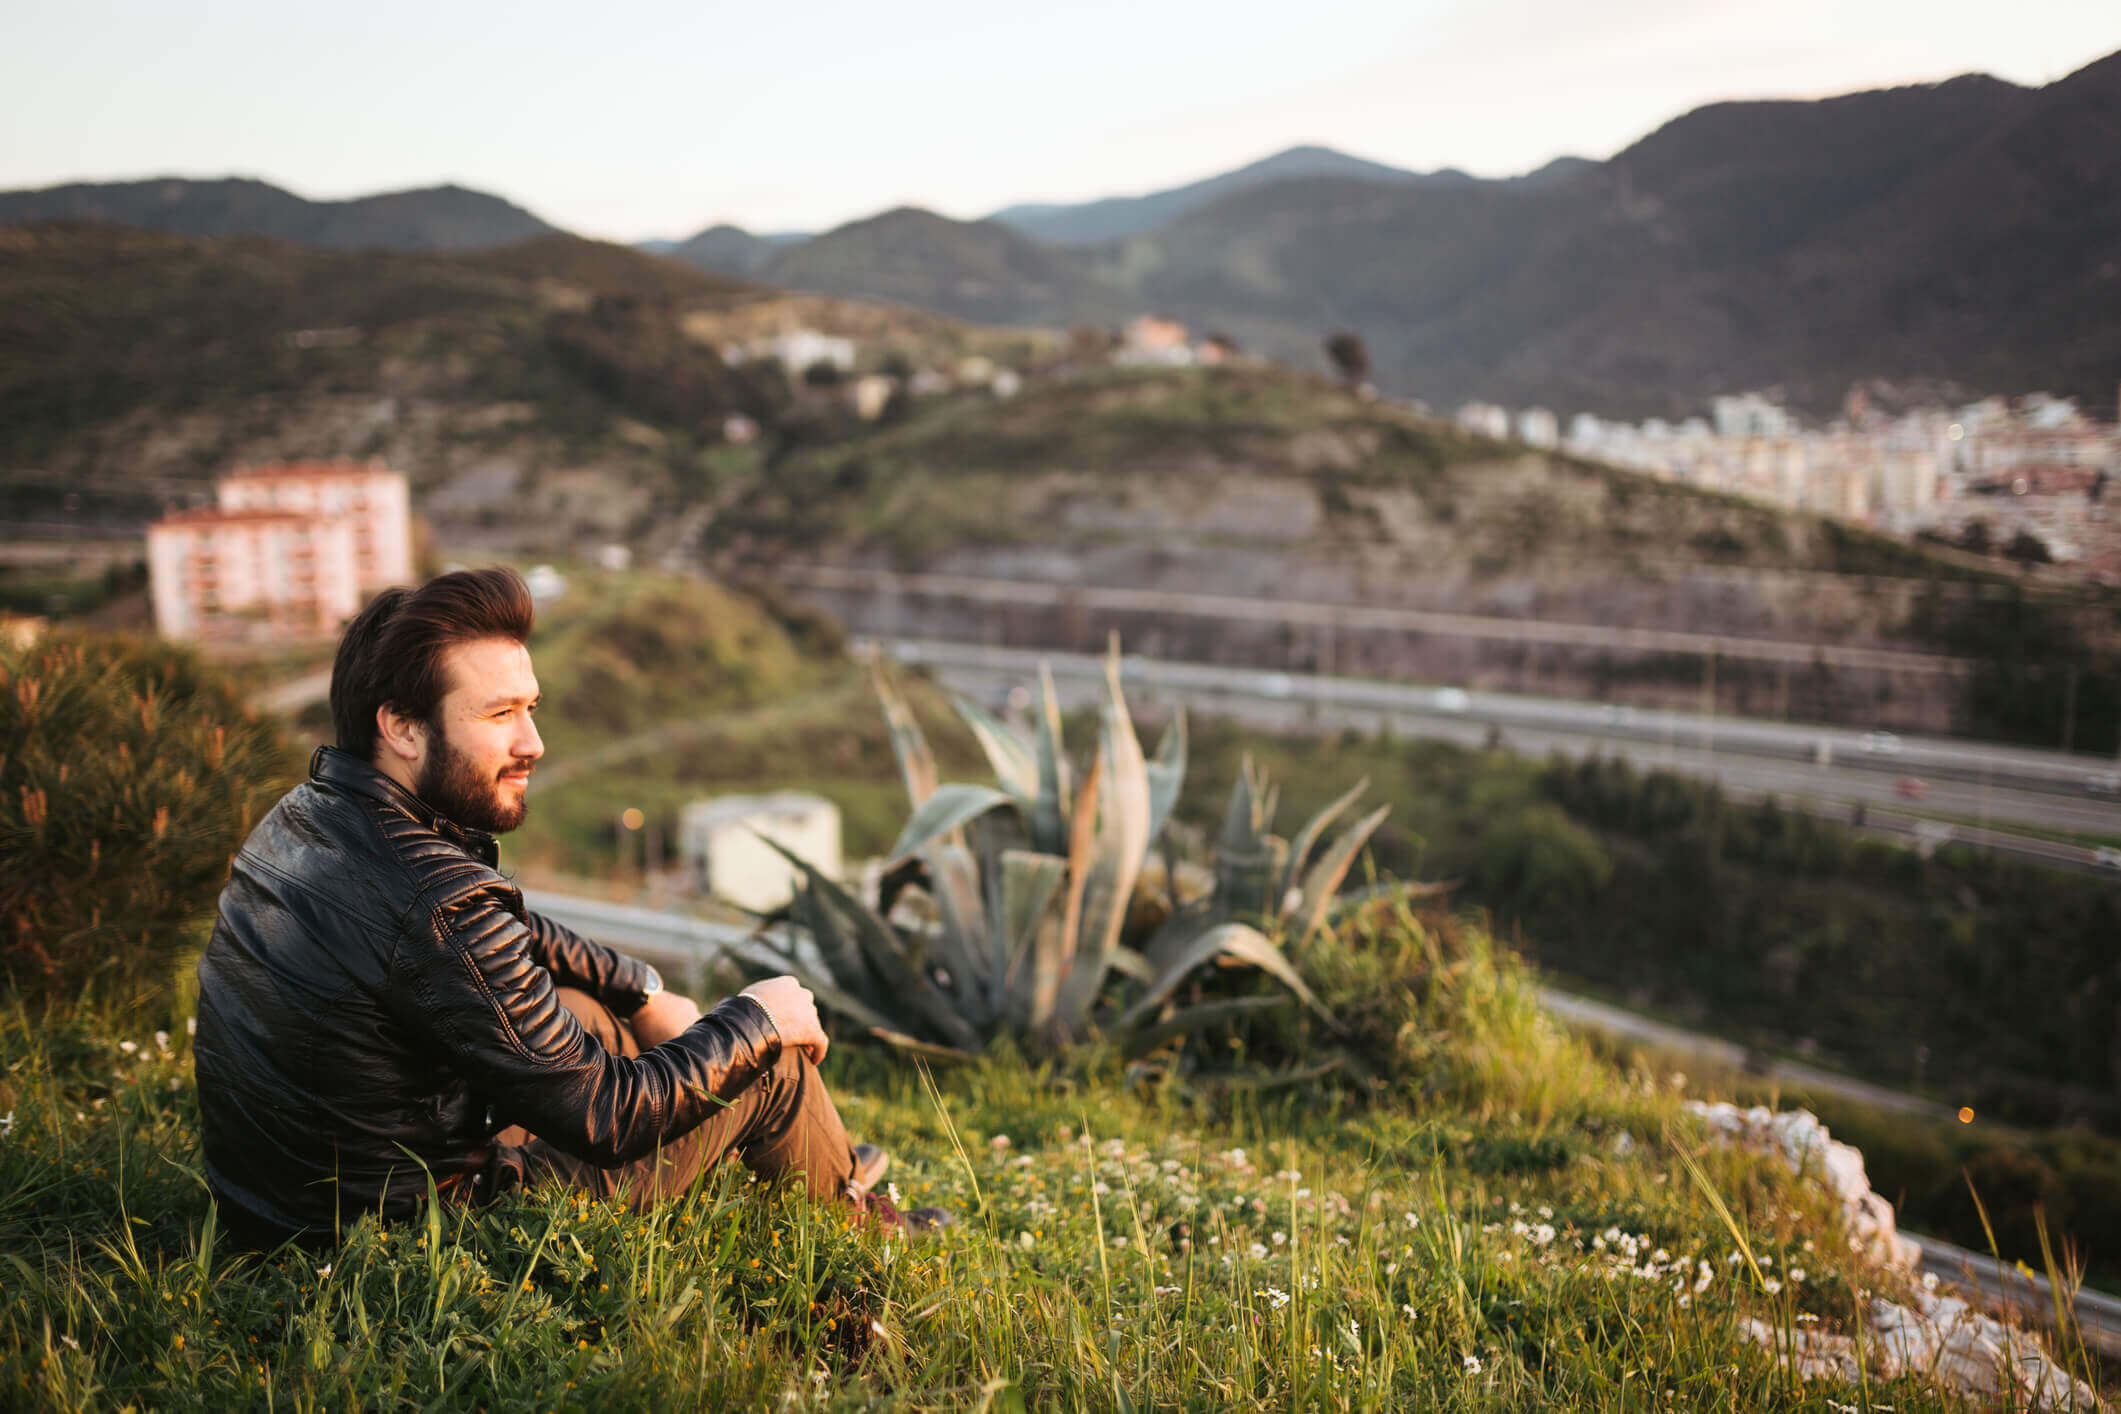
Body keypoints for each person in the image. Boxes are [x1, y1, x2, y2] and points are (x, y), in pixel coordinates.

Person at [193, 567, 941, 1249]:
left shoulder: (308, 815)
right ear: (402, 726)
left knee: (581, 1008)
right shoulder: (436, 896)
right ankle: (863, 1232)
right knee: (768, 1062)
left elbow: (505, 933)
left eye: (533, 708)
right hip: (405, 1236)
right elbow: (608, 1119)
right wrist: (758, 1018)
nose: (534, 742)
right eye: (498, 716)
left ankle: (817, 1164)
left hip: (282, 1205)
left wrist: (642, 989)